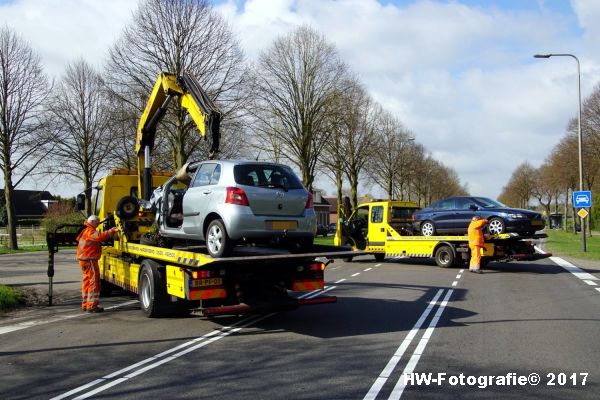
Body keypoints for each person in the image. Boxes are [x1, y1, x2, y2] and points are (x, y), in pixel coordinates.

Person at [76, 215, 119, 312]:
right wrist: (111, 231)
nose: (98, 224)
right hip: (89, 260)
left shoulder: (85, 230)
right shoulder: (90, 231)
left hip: (84, 260)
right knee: (94, 282)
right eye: (97, 222)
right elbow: (99, 237)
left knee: (87, 282)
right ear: (92, 222)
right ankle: (92, 306)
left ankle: (86, 304)